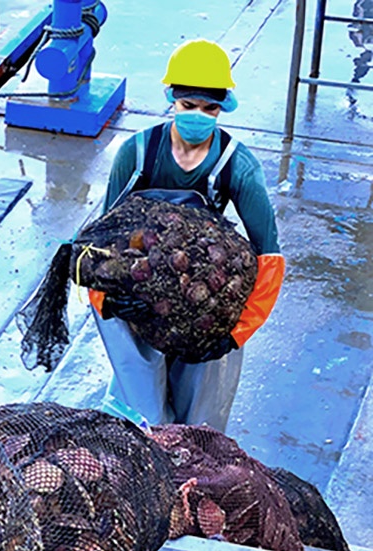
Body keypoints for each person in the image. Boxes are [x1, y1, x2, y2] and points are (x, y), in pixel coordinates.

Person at [90, 39, 285, 431]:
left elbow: (270, 257)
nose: (198, 116)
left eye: (209, 108)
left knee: (200, 418)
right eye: (188, 106)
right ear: (171, 100)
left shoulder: (237, 166)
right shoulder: (138, 152)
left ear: (222, 108)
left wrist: (236, 333)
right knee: (142, 413)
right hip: (139, 288)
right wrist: (108, 300)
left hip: (202, 298)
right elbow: (99, 242)